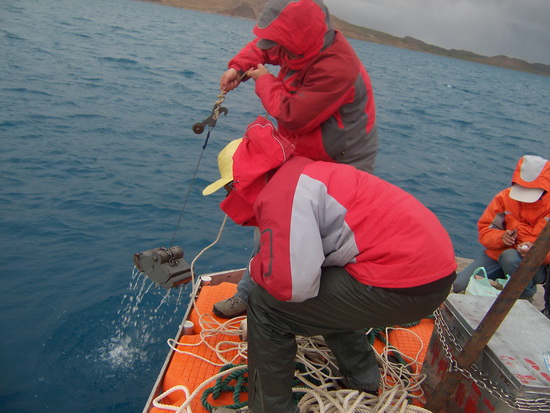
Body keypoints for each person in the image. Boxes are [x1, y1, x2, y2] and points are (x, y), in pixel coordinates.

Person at [203, 117, 457, 413]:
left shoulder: (283, 195)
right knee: (325, 284)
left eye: (228, 189)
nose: (229, 196)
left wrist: (259, 269)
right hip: (433, 276)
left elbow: (294, 287)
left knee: (265, 307)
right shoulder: (303, 172)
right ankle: (362, 379)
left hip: (404, 285)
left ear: (240, 182)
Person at [214, 0, 379, 318]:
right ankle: (250, 295)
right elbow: (264, 47)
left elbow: (293, 116)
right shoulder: (296, 43)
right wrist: (238, 66)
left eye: (281, 43)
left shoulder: (338, 67)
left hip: (344, 160)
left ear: (298, 40)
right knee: (270, 219)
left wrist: (263, 80)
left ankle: (312, 312)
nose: (275, 49)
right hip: (304, 151)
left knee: (321, 238)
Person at [453, 155, 550, 316]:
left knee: (510, 257)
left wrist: (535, 252)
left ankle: (525, 297)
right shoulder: (504, 198)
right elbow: (485, 231)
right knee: (459, 285)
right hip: (498, 254)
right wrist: (501, 237)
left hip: (536, 264)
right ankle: (506, 281)